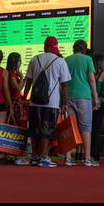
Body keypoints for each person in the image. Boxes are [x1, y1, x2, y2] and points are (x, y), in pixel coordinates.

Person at [23, 36, 71, 168]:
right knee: (46, 129)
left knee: (34, 130)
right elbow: (65, 85)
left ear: (45, 47)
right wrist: (65, 103)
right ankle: (43, 157)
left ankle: (34, 157)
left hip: (34, 101)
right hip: (52, 102)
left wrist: (24, 98)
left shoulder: (34, 59)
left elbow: (28, 81)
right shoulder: (60, 61)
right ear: (52, 48)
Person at [65, 40, 99, 167]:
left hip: (69, 96)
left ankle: (68, 157)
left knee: (70, 127)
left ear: (74, 48)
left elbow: (63, 80)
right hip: (84, 96)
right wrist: (95, 96)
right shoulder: (87, 60)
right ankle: (87, 158)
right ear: (84, 49)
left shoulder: (67, 59)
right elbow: (91, 79)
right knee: (85, 128)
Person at [6, 52, 29, 165]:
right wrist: (22, 78)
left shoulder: (11, 74)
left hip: (15, 103)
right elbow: (18, 88)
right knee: (17, 129)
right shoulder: (11, 75)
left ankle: (14, 155)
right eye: (20, 60)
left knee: (16, 128)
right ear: (15, 62)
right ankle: (16, 156)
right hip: (15, 103)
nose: (21, 62)